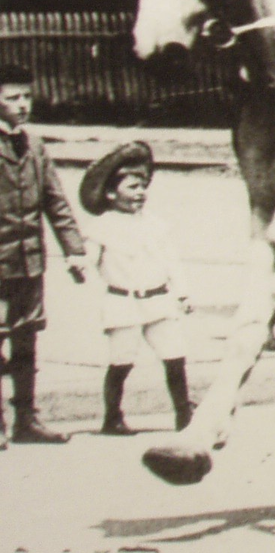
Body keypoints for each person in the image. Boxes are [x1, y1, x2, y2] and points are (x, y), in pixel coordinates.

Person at [0, 61, 88, 447]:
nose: (22, 105)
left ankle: (26, 419)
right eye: (12, 98)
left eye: (26, 96)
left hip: (30, 261)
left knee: (27, 338)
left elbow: (55, 201)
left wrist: (74, 250)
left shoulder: (35, 146)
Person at [79, 141, 193, 436]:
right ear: (110, 193)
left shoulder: (157, 225)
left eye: (143, 187)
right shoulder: (101, 226)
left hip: (158, 300)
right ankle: (112, 418)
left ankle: (184, 414)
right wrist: (79, 264)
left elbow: (172, 261)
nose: (140, 194)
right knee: (122, 361)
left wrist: (182, 292)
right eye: (132, 187)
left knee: (174, 356)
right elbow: (88, 260)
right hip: (123, 303)